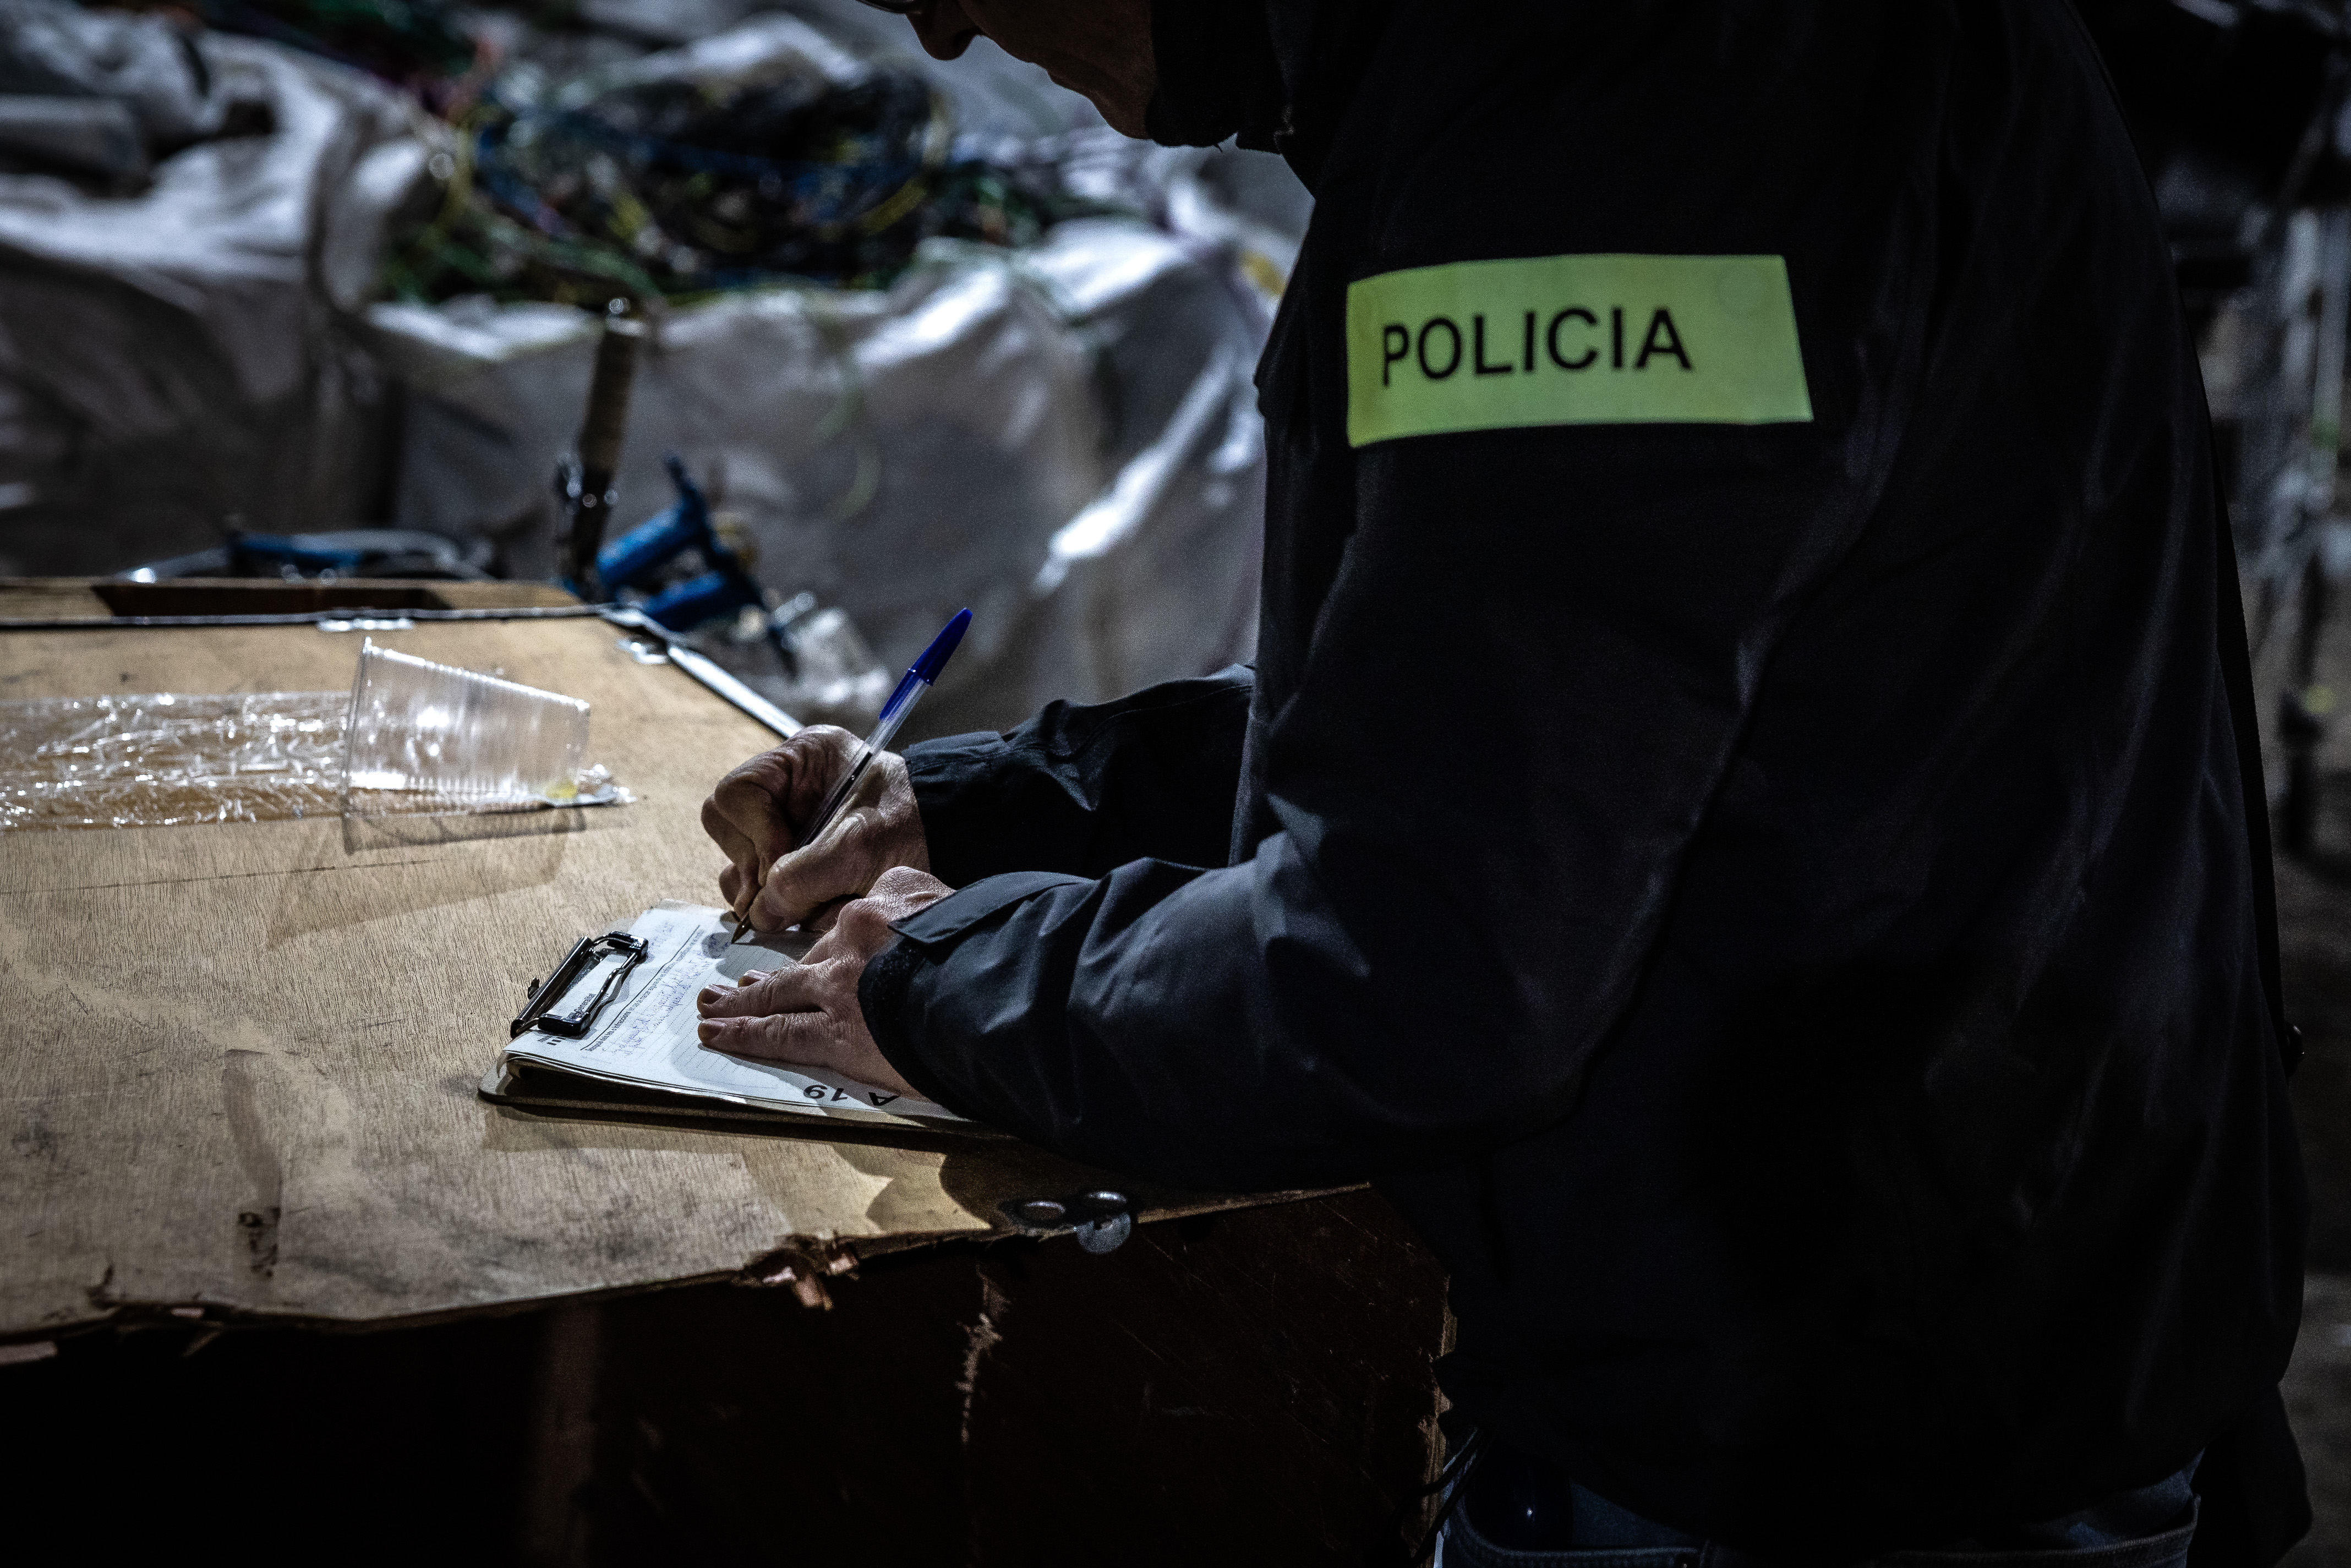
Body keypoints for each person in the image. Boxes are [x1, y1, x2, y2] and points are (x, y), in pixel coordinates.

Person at [694, 1, 2312, 1560]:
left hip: (1823, 1429)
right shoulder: (1586, 65)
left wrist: (948, 975)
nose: (943, 35)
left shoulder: (1613, 84)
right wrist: (998, 807)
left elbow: (1422, 962)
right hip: (1932, 1304)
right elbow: (1525, 697)